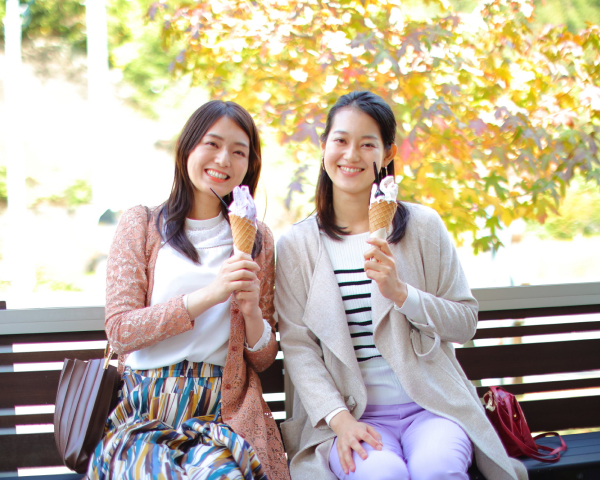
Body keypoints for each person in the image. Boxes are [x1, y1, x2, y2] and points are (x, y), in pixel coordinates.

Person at [275, 91, 527, 480]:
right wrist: (341, 421)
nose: (351, 155)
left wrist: (401, 294)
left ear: (388, 154)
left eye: (367, 144)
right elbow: (298, 346)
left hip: (432, 406)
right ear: (323, 145)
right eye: (340, 140)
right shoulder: (297, 246)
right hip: (350, 416)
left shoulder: (424, 227)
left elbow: (464, 322)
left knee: (437, 470)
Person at [88, 100, 290, 480]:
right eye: (212, 144)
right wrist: (211, 294)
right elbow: (120, 330)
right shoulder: (143, 225)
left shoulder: (257, 238)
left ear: (250, 165)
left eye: (238, 151)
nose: (224, 159)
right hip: (145, 409)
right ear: (188, 150)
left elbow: (263, 358)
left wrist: (251, 314)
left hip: (221, 412)